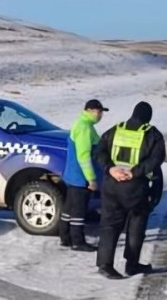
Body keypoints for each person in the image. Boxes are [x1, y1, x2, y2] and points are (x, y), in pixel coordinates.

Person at [93, 101, 166, 279]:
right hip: (135, 186)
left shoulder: (115, 130)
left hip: (111, 184)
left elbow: (98, 152)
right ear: (148, 117)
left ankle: (105, 265)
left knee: (109, 225)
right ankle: (131, 265)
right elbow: (156, 160)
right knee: (136, 225)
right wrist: (134, 172)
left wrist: (110, 168)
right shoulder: (152, 134)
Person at [60, 99, 107, 251]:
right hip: (80, 176)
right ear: (89, 110)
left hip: (72, 174)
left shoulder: (82, 123)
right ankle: (77, 241)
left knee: (69, 207)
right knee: (79, 210)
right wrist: (91, 179)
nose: (100, 115)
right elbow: (84, 156)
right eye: (98, 112)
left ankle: (65, 237)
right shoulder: (85, 128)